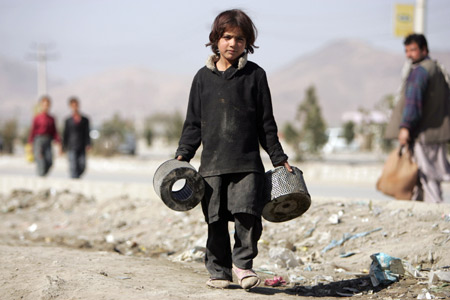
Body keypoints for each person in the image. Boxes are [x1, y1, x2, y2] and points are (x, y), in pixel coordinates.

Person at [175, 9, 292, 290]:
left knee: (247, 216)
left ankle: (242, 266)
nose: (233, 44)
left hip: (247, 164)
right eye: (227, 37)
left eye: (240, 39)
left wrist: (279, 158)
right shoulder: (202, 78)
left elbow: (266, 124)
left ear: (247, 43)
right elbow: (193, 123)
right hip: (212, 166)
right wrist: (183, 154)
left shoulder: (255, 76)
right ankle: (219, 271)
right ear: (216, 39)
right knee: (214, 220)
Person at [385, 33, 450, 203]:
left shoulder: (420, 72)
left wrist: (405, 127)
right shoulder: (437, 69)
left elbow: (413, 103)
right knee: (425, 174)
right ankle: (422, 207)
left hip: (424, 135)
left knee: (428, 174)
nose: (409, 55)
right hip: (437, 133)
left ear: (424, 49)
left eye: (413, 50)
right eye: (406, 51)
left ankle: (434, 208)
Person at [28, 95, 61, 176]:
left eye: (47, 105)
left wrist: (58, 143)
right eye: (44, 104)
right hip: (38, 140)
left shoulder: (52, 118)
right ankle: (40, 177)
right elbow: (33, 131)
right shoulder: (37, 118)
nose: (46, 107)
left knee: (49, 161)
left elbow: (55, 132)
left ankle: (42, 175)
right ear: (41, 105)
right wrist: (30, 145)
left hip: (48, 140)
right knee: (40, 160)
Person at [62, 97, 91, 179]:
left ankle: (76, 177)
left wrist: (88, 144)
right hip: (71, 146)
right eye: (73, 105)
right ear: (70, 106)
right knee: (73, 165)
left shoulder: (85, 120)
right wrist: (63, 146)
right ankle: (74, 181)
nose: (75, 107)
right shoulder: (68, 120)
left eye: (76, 105)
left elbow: (87, 133)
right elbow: (65, 134)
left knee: (82, 165)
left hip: (81, 145)